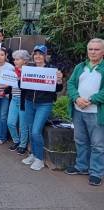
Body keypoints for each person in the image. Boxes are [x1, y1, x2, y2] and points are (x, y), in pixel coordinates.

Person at [65, 38, 104, 186]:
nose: (93, 52)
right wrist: (76, 98)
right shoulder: (80, 67)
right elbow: (70, 84)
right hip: (78, 110)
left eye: (97, 49)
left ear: (103, 51)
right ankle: (81, 166)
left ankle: (96, 172)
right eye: (90, 49)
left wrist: (91, 100)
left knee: (98, 145)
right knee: (80, 140)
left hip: (96, 113)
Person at [21, 44, 63, 171]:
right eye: (36, 54)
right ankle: (33, 154)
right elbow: (22, 86)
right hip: (29, 102)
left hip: (44, 104)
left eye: (41, 54)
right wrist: (21, 78)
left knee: (35, 131)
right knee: (30, 129)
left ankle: (39, 159)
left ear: (45, 56)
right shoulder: (29, 68)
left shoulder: (52, 69)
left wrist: (59, 81)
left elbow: (58, 89)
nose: (38, 56)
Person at [7, 50, 30, 155]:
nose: (15, 61)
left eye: (17, 59)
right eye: (14, 59)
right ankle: (16, 141)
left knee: (23, 125)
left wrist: (20, 79)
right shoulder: (12, 71)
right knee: (10, 122)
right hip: (14, 98)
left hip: (24, 100)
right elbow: (10, 86)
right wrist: (4, 91)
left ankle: (23, 145)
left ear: (25, 61)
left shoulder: (29, 72)